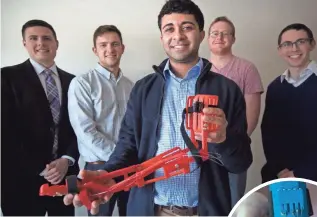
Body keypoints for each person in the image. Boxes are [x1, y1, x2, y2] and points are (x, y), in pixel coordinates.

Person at [64, 0, 253, 216]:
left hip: (206, 210)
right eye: (169, 29)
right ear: (162, 37)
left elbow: (241, 162)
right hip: (151, 209)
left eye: (187, 27)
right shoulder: (143, 90)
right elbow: (127, 148)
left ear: (201, 34)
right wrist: (107, 175)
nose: (178, 35)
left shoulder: (227, 90)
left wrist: (223, 139)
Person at [1, 19, 79, 216]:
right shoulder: (7, 77)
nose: (41, 43)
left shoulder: (74, 81)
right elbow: (5, 131)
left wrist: (67, 160)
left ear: (56, 44)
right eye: (33, 38)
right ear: (24, 43)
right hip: (20, 179)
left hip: (63, 178)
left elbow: (79, 127)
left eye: (47, 38)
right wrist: (40, 168)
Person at [261, 23, 317, 191]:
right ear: (280, 50)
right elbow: (268, 132)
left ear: (312, 44)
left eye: (301, 41)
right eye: (287, 44)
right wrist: (280, 169)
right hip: (280, 176)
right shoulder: (275, 87)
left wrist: (301, 172)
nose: (294, 48)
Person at [67, 25, 133, 216]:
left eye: (114, 44)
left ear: (122, 48)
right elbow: (85, 131)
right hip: (98, 167)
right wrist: (119, 156)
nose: (110, 49)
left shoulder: (131, 86)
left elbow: (134, 128)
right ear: (95, 50)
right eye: (103, 45)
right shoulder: (82, 83)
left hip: (129, 168)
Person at [208, 16, 264, 207]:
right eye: (215, 33)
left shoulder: (247, 68)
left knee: (233, 202)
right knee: (206, 204)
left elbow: (252, 116)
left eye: (225, 33)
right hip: (202, 153)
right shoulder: (198, 69)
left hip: (234, 150)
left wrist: (232, 145)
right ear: (207, 38)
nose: (219, 37)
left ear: (233, 39)